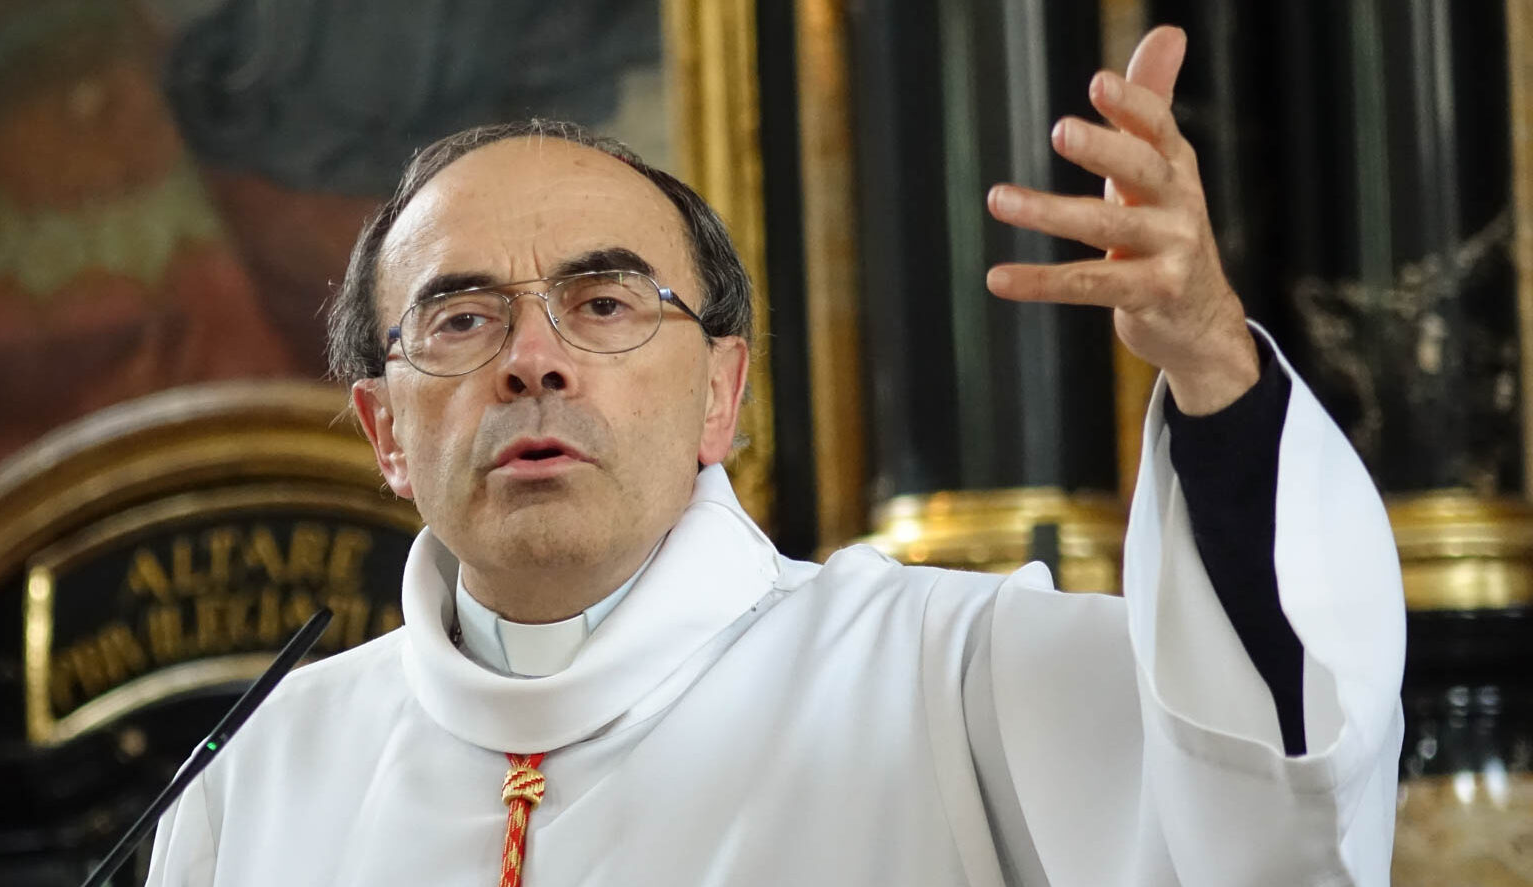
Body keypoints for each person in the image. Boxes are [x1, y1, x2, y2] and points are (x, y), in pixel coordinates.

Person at [146, 26, 1403, 886]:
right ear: (383, 434)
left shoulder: (954, 674)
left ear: (719, 393)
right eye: (461, 319)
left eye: (603, 304)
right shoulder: (257, 777)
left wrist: (1214, 375)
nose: (532, 359)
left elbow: (1267, 806)